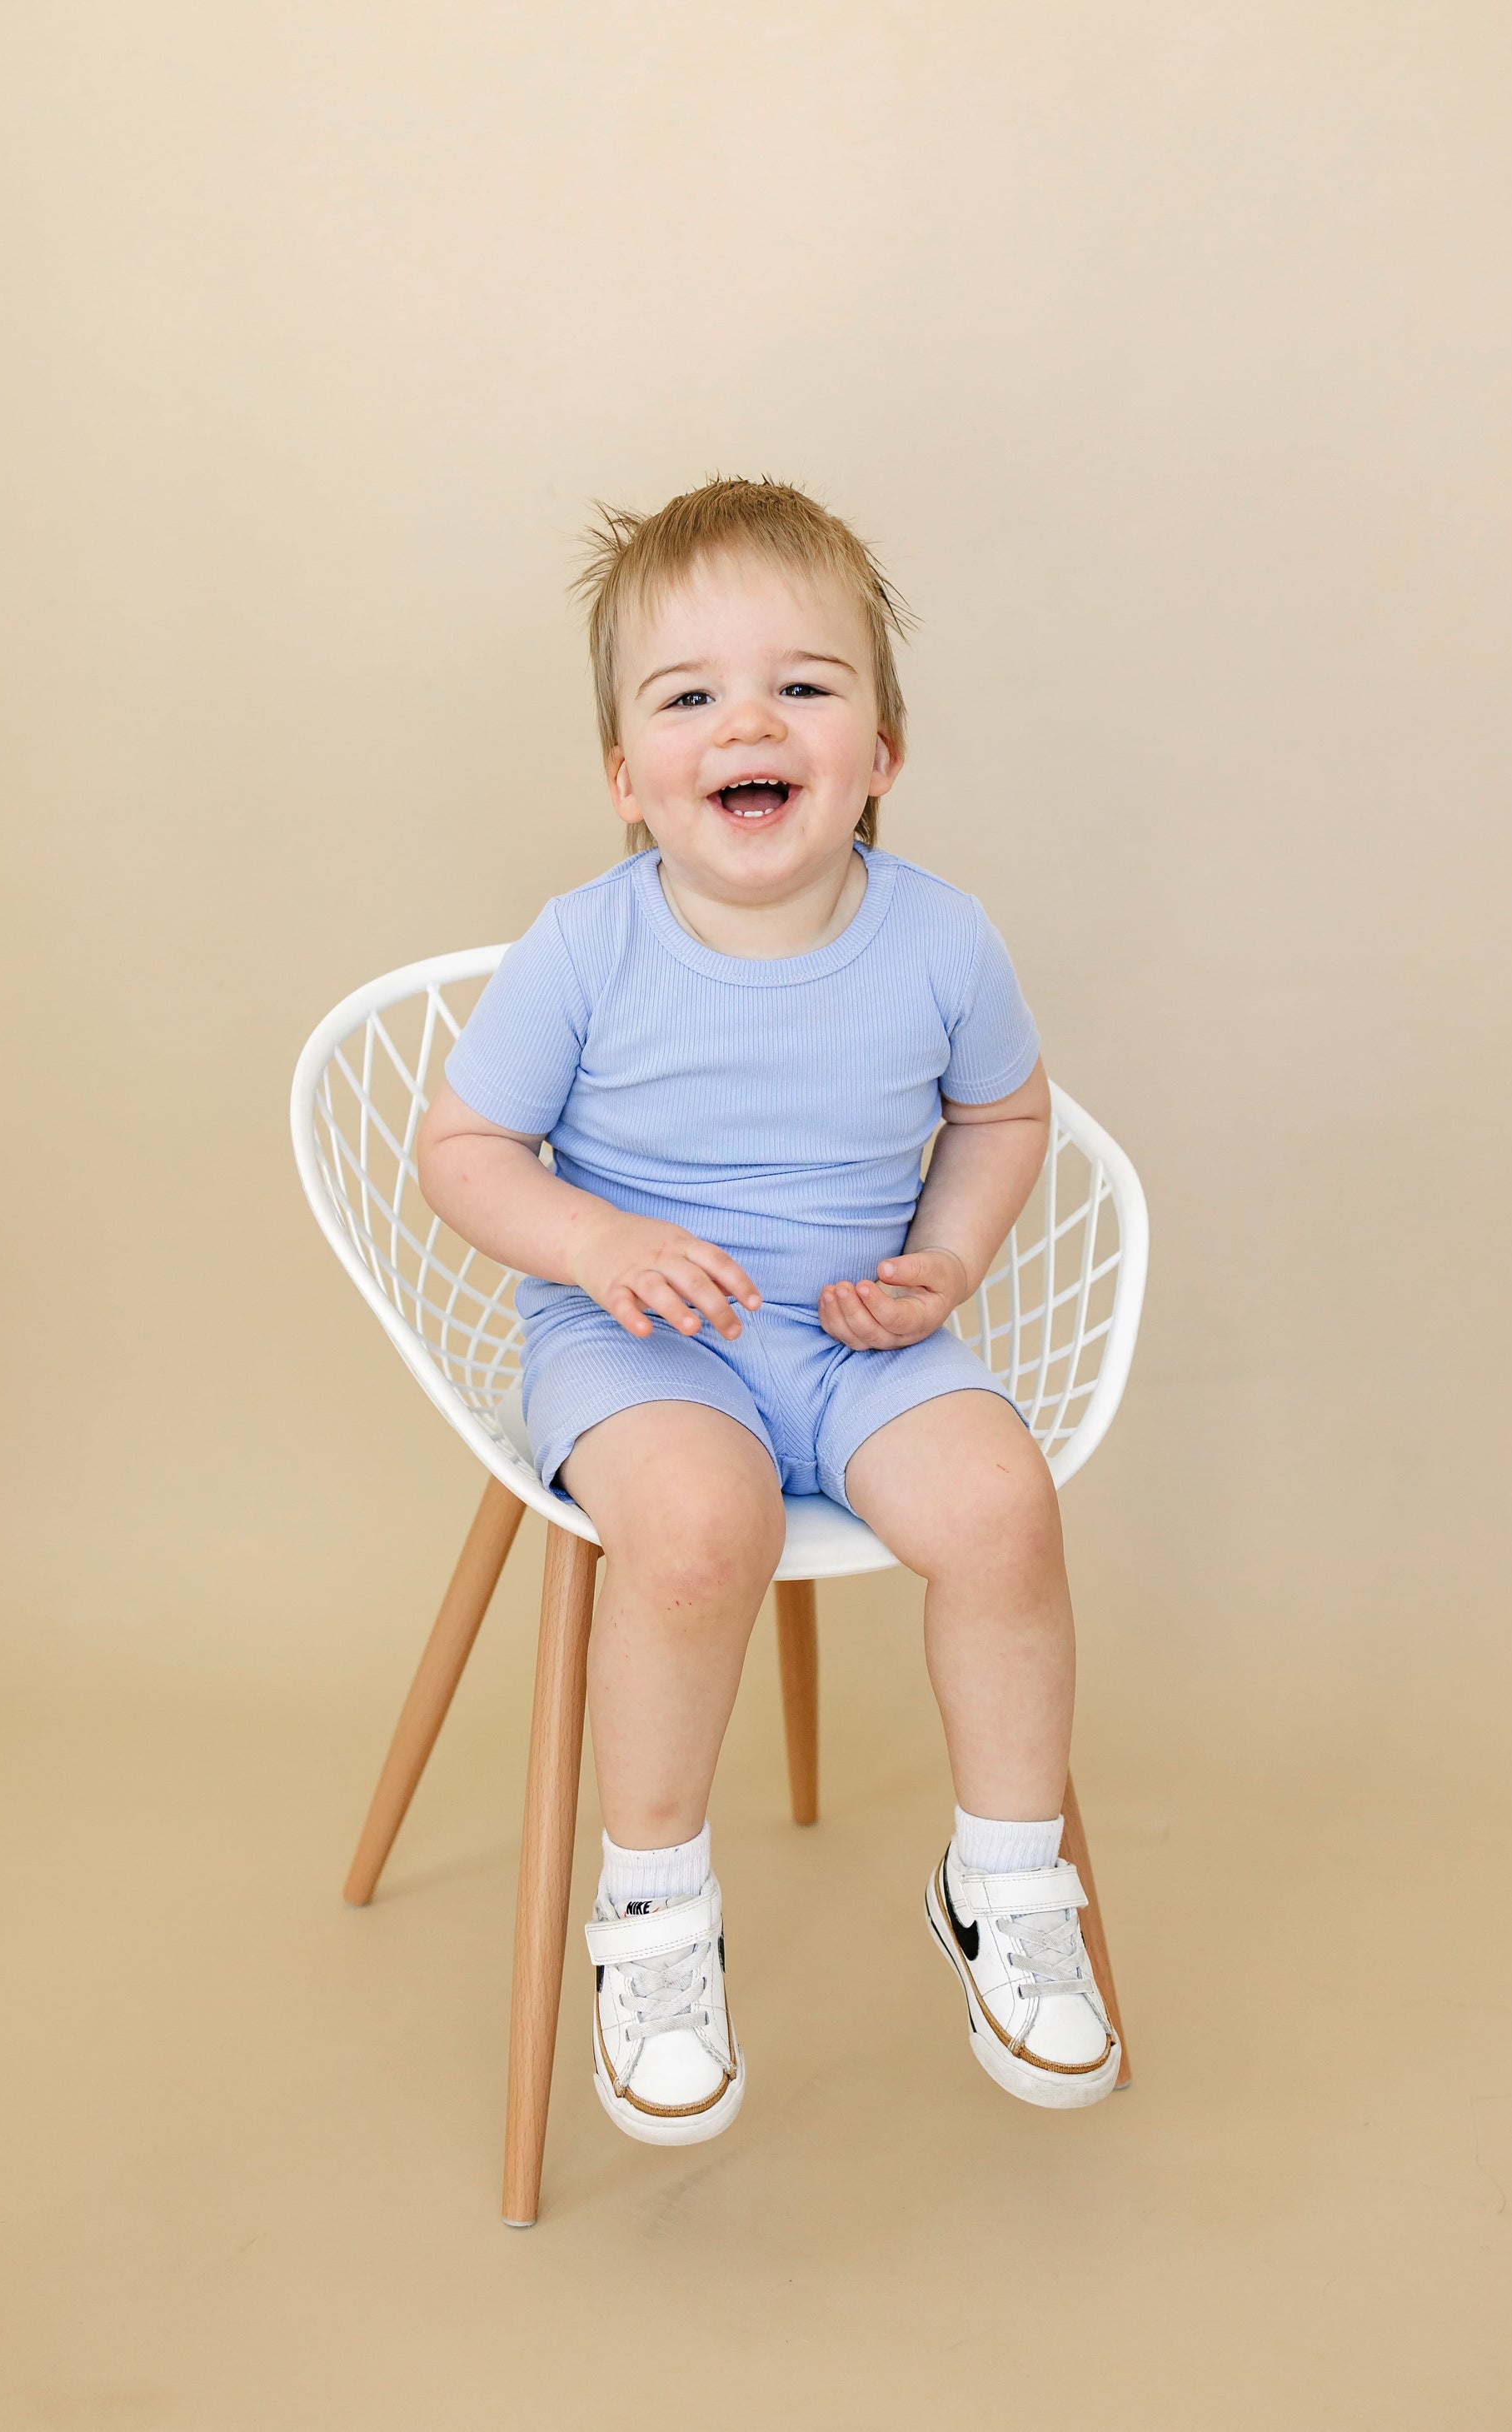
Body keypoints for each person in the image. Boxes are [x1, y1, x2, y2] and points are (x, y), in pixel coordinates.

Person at [417, 477, 1119, 2147]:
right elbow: (462, 1151)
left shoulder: (940, 938)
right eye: (689, 697)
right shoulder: (587, 947)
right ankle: (654, 1905)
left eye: (802, 684)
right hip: (637, 1345)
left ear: (881, 750)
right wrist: (593, 1240)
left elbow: (1001, 1114)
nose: (747, 721)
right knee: (697, 1529)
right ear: (625, 776)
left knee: (1000, 1502)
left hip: (857, 1339)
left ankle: (1004, 1879)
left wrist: (947, 1261)